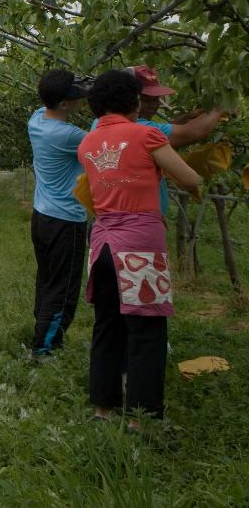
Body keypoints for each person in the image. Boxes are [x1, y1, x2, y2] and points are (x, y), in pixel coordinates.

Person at [79, 69, 202, 425]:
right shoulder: (146, 134)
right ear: (133, 101)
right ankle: (141, 417)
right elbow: (189, 177)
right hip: (139, 246)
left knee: (107, 326)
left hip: (100, 243)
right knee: (146, 330)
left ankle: (103, 410)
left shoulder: (87, 143)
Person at [27, 69, 89, 357]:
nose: (81, 101)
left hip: (42, 216)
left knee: (48, 279)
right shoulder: (68, 135)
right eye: (76, 97)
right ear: (64, 104)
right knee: (63, 288)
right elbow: (107, 142)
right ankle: (45, 348)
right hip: (65, 220)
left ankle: (42, 331)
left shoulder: (37, 121)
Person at [130, 65, 225, 216]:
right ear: (127, 98)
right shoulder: (141, 129)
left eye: (156, 100)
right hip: (140, 222)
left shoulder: (104, 123)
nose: (155, 106)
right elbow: (191, 133)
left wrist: (185, 118)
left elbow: (167, 133)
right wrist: (220, 107)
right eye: (147, 100)